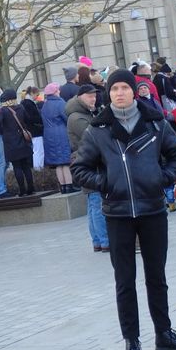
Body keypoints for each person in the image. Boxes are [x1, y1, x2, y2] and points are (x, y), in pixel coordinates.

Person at [71, 69, 176, 350]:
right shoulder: (98, 130)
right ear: (109, 94)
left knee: (157, 277)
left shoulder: (155, 123)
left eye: (124, 88)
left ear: (133, 90)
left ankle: (164, 335)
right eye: (114, 88)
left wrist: (161, 178)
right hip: (117, 215)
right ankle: (131, 341)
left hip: (152, 209)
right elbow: (80, 169)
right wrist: (107, 184)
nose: (119, 93)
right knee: (124, 281)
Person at [67, 84, 109, 252]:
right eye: (89, 96)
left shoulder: (87, 113)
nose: (93, 99)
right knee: (96, 202)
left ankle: (98, 241)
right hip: (88, 162)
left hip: (89, 161)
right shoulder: (77, 118)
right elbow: (94, 136)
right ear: (80, 97)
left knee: (94, 203)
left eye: (94, 96)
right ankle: (104, 241)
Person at [0, 89, 34, 196]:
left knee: (17, 167)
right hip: (23, 140)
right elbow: (28, 120)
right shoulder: (21, 107)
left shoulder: (4, 110)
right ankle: (31, 188)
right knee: (26, 166)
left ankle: (22, 190)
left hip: (11, 143)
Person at [41, 83, 75, 193]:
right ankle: (69, 186)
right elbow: (67, 118)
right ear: (55, 92)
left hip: (48, 135)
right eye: (58, 90)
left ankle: (63, 187)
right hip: (61, 134)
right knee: (65, 161)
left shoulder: (44, 105)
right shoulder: (60, 103)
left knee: (57, 164)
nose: (59, 92)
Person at [20, 86, 44, 170]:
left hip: (31, 130)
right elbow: (32, 118)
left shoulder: (23, 103)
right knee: (38, 151)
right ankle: (39, 168)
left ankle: (38, 168)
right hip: (35, 131)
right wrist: (40, 119)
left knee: (36, 151)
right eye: (36, 95)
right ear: (32, 93)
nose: (37, 97)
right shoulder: (29, 104)